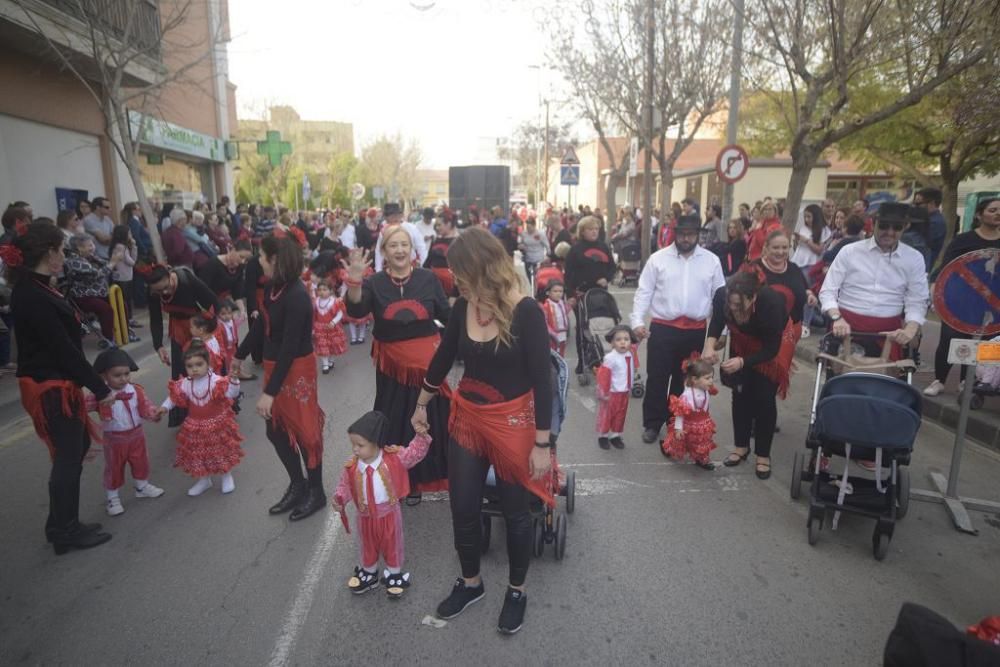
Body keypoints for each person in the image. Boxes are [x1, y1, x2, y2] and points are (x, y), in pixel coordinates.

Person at [411, 227, 553, 635]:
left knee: (516, 513)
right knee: (462, 507)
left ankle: (516, 591)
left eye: (459, 271)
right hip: (468, 420)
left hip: (514, 425)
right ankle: (471, 582)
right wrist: (421, 404)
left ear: (481, 268)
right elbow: (442, 359)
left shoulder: (527, 311)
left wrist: (542, 443)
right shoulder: (462, 307)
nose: (453, 279)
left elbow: (542, 381)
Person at [6, 223, 114, 554]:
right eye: (61, 251)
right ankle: (65, 531)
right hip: (50, 386)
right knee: (68, 455)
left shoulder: (38, 287)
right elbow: (62, 349)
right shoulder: (32, 294)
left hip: (57, 380)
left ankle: (60, 524)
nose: (64, 257)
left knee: (76, 448)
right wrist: (100, 387)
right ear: (48, 253)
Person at [344, 225, 451, 504]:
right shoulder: (375, 283)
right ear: (384, 251)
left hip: (428, 366)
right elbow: (356, 310)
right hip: (392, 368)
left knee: (433, 422)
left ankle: (434, 477)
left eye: (404, 244)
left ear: (412, 248)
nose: (400, 250)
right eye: (393, 245)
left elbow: (447, 315)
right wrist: (354, 283)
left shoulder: (428, 278)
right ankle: (407, 481)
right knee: (397, 423)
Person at [232, 235, 328, 522]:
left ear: (275, 259)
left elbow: (289, 347)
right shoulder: (273, 287)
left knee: (306, 433)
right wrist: (239, 354)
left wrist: (269, 393)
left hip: (296, 369)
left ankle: (316, 492)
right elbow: (262, 324)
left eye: (262, 256)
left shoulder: (297, 295)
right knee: (276, 431)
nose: (258, 260)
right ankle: (298, 485)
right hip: (276, 366)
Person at [631, 214, 725, 444]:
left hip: (695, 330)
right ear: (675, 234)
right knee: (657, 377)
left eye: (691, 234)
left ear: (698, 235)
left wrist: (722, 332)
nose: (686, 238)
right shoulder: (658, 259)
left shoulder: (711, 261)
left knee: (685, 380)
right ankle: (652, 423)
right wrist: (637, 321)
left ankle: (676, 422)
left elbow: (720, 298)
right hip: (663, 328)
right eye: (682, 234)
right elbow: (644, 292)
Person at [703, 271, 794, 480]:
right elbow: (717, 322)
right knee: (740, 392)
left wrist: (742, 362)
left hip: (771, 344)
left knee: (764, 397)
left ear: (752, 297)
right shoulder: (722, 295)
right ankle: (741, 446)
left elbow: (771, 349)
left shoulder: (770, 303)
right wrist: (709, 347)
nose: (733, 308)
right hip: (742, 339)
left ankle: (763, 455)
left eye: (738, 304)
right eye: (731, 303)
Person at [331, 411, 432, 598]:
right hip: (365, 517)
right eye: (353, 444)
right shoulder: (353, 466)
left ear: (377, 442)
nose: (355, 449)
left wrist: (421, 436)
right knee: (367, 545)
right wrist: (340, 498)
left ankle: (394, 574)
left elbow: (414, 454)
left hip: (389, 515)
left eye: (360, 445)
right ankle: (369, 573)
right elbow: (345, 485)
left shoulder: (394, 458)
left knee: (392, 544)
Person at [819, 202, 929, 358]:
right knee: (839, 373)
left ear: (905, 227)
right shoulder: (850, 252)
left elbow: (917, 300)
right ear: (874, 223)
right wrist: (837, 318)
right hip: (845, 327)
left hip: (889, 333)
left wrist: (910, 329)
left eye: (897, 227)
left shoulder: (914, 258)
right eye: (884, 226)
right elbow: (828, 291)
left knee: (888, 374)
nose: (889, 232)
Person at [924, 197, 1000, 397]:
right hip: (960, 301)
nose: (997, 214)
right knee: (950, 340)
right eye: (992, 210)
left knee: (987, 343)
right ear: (979, 215)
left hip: (992, 306)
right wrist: (937, 293)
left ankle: (970, 380)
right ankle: (939, 380)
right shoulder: (964, 240)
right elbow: (947, 269)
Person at [85, 348, 165, 516]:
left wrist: (154, 414)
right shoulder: (100, 394)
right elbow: (83, 406)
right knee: (114, 468)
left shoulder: (136, 390)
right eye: (117, 375)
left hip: (137, 435)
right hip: (114, 439)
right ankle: (112, 498)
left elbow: (145, 407)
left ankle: (142, 487)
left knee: (141, 462)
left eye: (126, 374)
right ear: (104, 375)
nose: (123, 379)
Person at [141, 263, 221, 426]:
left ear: (170, 275)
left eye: (166, 287)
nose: (164, 293)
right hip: (179, 330)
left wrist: (208, 334)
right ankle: (187, 416)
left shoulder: (187, 280)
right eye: (159, 291)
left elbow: (213, 302)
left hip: (198, 328)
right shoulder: (153, 292)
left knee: (206, 368)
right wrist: (159, 345)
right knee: (182, 371)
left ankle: (213, 410)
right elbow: (155, 319)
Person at [161, 344, 243, 496]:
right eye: (190, 366)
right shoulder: (186, 383)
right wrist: (164, 408)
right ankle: (204, 480)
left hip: (216, 424)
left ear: (208, 363)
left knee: (220, 452)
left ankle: (226, 476)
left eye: (199, 364)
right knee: (198, 454)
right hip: (195, 425)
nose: (194, 369)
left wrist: (234, 380)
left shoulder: (216, 381)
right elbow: (173, 398)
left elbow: (231, 394)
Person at [564, 216, 616, 375]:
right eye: (590, 229)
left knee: (602, 325)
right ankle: (582, 360)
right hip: (582, 294)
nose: (594, 232)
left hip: (600, 295)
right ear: (582, 231)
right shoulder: (575, 250)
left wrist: (606, 278)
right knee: (582, 327)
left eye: (596, 229)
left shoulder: (604, 247)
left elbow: (612, 267)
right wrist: (570, 295)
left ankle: (601, 358)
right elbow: (568, 275)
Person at [753, 229, 815, 339]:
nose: (781, 252)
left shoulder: (794, 268)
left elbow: (805, 289)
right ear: (766, 248)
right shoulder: (754, 269)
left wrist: (810, 296)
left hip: (792, 333)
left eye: (785, 248)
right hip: (762, 333)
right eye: (776, 248)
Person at [64, 234, 121, 348]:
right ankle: (109, 339)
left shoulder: (91, 257)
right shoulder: (73, 261)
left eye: (92, 244)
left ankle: (124, 333)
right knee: (105, 309)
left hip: (99, 293)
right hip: (83, 296)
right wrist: (112, 263)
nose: (93, 247)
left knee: (120, 303)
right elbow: (97, 274)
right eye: (89, 245)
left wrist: (113, 261)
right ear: (80, 248)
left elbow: (107, 265)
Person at [660, 356, 717, 470]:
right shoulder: (687, 395)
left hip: (702, 423)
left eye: (712, 377)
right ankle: (667, 449)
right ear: (695, 379)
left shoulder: (706, 389)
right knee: (679, 442)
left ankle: (701, 459)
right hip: (687, 424)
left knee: (702, 442)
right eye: (707, 378)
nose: (711, 381)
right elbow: (679, 413)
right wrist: (678, 428)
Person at [595, 325, 637, 450]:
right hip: (612, 392)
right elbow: (604, 376)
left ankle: (615, 435)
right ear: (612, 343)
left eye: (626, 339)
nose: (623, 342)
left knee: (620, 415)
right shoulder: (610, 358)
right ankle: (603, 436)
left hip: (624, 392)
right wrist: (604, 392)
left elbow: (637, 343)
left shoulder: (630, 353)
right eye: (618, 340)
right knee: (607, 415)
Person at [373, 203, 427, 272]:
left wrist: (423, 266)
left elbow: (421, 248)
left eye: (397, 215)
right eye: (391, 215)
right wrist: (378, 270)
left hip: (411, 266)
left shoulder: (411, 228)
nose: (395, 217)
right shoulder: (383, 231)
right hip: (391, 267)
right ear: (386, 218)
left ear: (400, 215)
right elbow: (379, 252)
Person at [108, 225, 139, 342]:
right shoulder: (120, 247)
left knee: (127, 299)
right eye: (129, 233)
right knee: (124, 300)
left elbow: (133, 260)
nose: (130, 235)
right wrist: (134, 247)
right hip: (122, 278)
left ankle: (128, 319)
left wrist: (133, 247)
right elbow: (131, 262)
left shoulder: (123, 246)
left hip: (126, 276)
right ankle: (126, 321)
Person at [312, 279, 346, 374]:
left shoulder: (335, 302)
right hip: (320, 328)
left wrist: (333, 322)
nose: (322, 292)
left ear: (330, 290)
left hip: (332, 328)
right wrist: (313, 328)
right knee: (322, 346)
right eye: (320, 290)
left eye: (324, 289)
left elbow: (340, 313)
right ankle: (325, 364)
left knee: (332, 345)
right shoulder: (316, 302)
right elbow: (314, 315)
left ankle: (331, 360)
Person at [424, 209, 459, 297]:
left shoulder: (459, 241)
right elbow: (428, 261)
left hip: (451, 285)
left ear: (449, 224)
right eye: (436, 225)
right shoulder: (435, 239)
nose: (437, 228)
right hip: (433, 284)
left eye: (439, 225)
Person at [913, 187, 948, 270]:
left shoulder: (935, 223)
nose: (914, 207)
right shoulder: (927, 220)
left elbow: (916, 242)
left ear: (932, 203)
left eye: (918, 204)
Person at [540, 279, 570, 356]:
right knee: (553, 355)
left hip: (563, 334)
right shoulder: (546, 306)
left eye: (560, 291)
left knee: (561, 354)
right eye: (555, 291)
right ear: (548, 292)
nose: (558, 294)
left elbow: (565, 312)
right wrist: (552, 333)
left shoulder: (562, 303)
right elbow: (545, 322)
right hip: (552, 336)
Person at [518, 217, 549, 289]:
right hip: (528, 258)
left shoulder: (540, 234)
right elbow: (520, 243)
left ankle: (537, 290)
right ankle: (531, 289)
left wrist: (548, 255)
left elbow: (547, 245)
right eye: (527, 227)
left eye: (530, 227)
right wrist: (521, 246)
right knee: (529, 278)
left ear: (534, 225)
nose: (528, 229)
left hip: (538, 259)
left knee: (537, 278)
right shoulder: (523, 234)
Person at [215, 298, 241, 373]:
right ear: (218, 314)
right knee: (227, 363)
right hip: (225, 348)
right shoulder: (218, 325)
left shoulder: (231, 321)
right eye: (223, 314)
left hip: (232, 346)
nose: (227, 316)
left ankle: (235, 373)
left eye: (229, 313)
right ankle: (228, 375)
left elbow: (235, 330)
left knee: (234, 360)